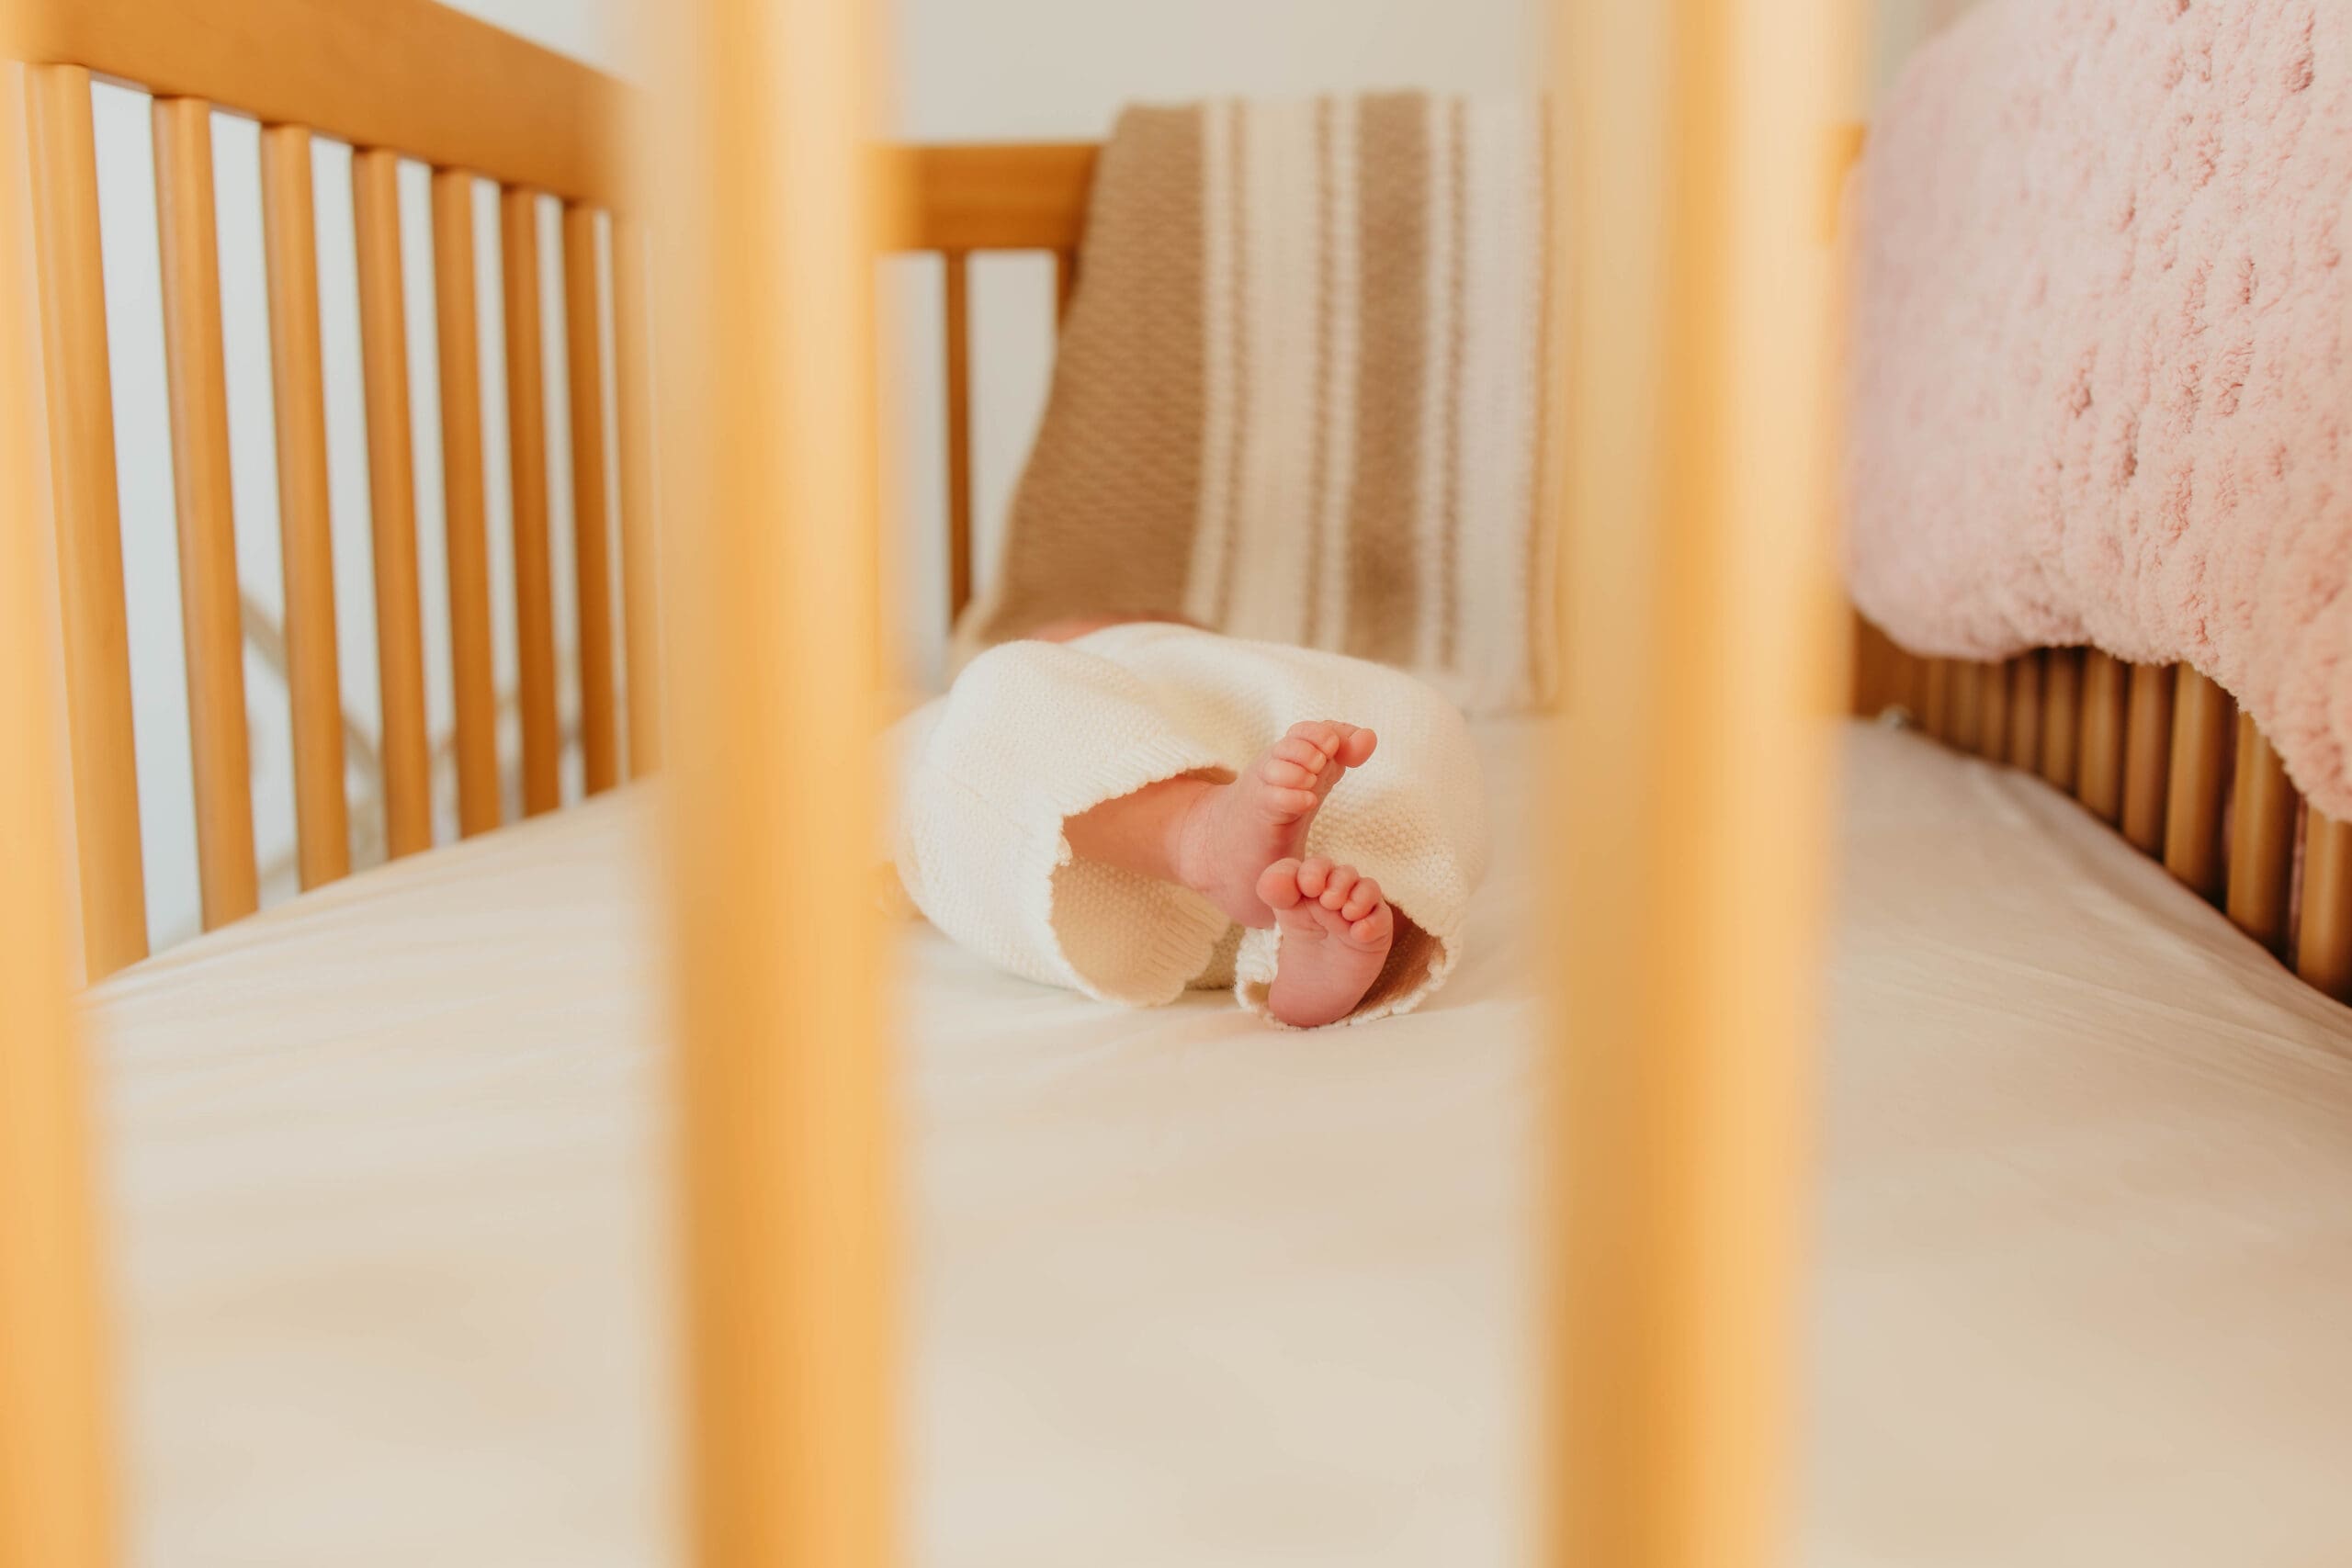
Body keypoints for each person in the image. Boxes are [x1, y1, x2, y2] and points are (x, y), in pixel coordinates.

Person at [888, 615, 1489, 1028]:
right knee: (998, 697)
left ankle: (1335, 953)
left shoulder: (1224, 672)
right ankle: (1199, 834)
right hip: (1092, 885)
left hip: (1288, 843)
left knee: (1414, 714)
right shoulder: (1014, 690)